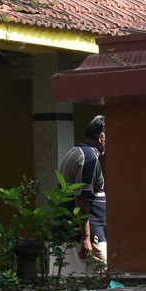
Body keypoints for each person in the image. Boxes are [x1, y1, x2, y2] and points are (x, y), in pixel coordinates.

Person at [56, 115, 107, 274]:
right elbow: (82, 197)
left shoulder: (73, 152)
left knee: (72, 281)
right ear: (101, 138)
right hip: (86, 234)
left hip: (67, 232)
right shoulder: (89, 157)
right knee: (101, 277)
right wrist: (86, 237)